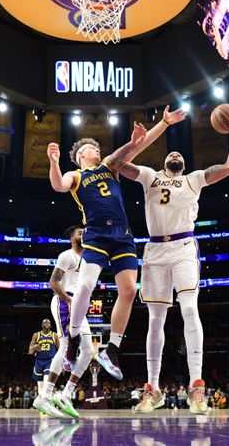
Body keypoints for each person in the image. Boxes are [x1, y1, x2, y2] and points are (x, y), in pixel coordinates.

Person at [47, 106, 186, 381]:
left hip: (122, 235)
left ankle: (113, 349)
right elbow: (58, 185)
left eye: (97, 147)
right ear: (80, 156)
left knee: (129, 291)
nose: (96, 150)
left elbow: (137, 147)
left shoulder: (110, 165)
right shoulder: (77, 176)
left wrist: (164, 123)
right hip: (96, 234)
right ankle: (73, 338)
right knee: (85, 285)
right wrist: (53, 161)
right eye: (91, 147)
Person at [119, 124, 229, 415]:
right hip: (154, 250)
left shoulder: (194, 179)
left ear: (183, 164)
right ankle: (153, 390)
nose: (174, 153)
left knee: (189, 310)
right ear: (164, 162)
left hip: (184, 247)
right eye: (170, 152)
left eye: (179, 153)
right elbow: (118, 164)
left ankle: (196, 387)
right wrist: (137, 143)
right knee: (155, 320)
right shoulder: (150, 176)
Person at [35, 226, 94, 418]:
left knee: (88, 350)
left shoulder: (88, 259)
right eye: (79, 232)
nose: (83, 234)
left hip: (79, 302)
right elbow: (53, 282)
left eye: (84, 231)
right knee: (66, 345)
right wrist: (69, 301)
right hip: (64, 300)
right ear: (71, 238)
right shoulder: (67, 255)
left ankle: (66, 393)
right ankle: (44, 396)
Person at [29, 320, 58, 399]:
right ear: (42, 325)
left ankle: (47, 400)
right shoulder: (36, 335)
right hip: (39, 361)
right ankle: (42, 404)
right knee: (40, 385)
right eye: (45, 322)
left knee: (46, 382)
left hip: (50, 361)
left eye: (48, 322)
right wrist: (34, 347)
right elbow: (30, 351)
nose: (47, 324)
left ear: (51, 325)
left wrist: (61, 363)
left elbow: (60, 350)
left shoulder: (54, 335)